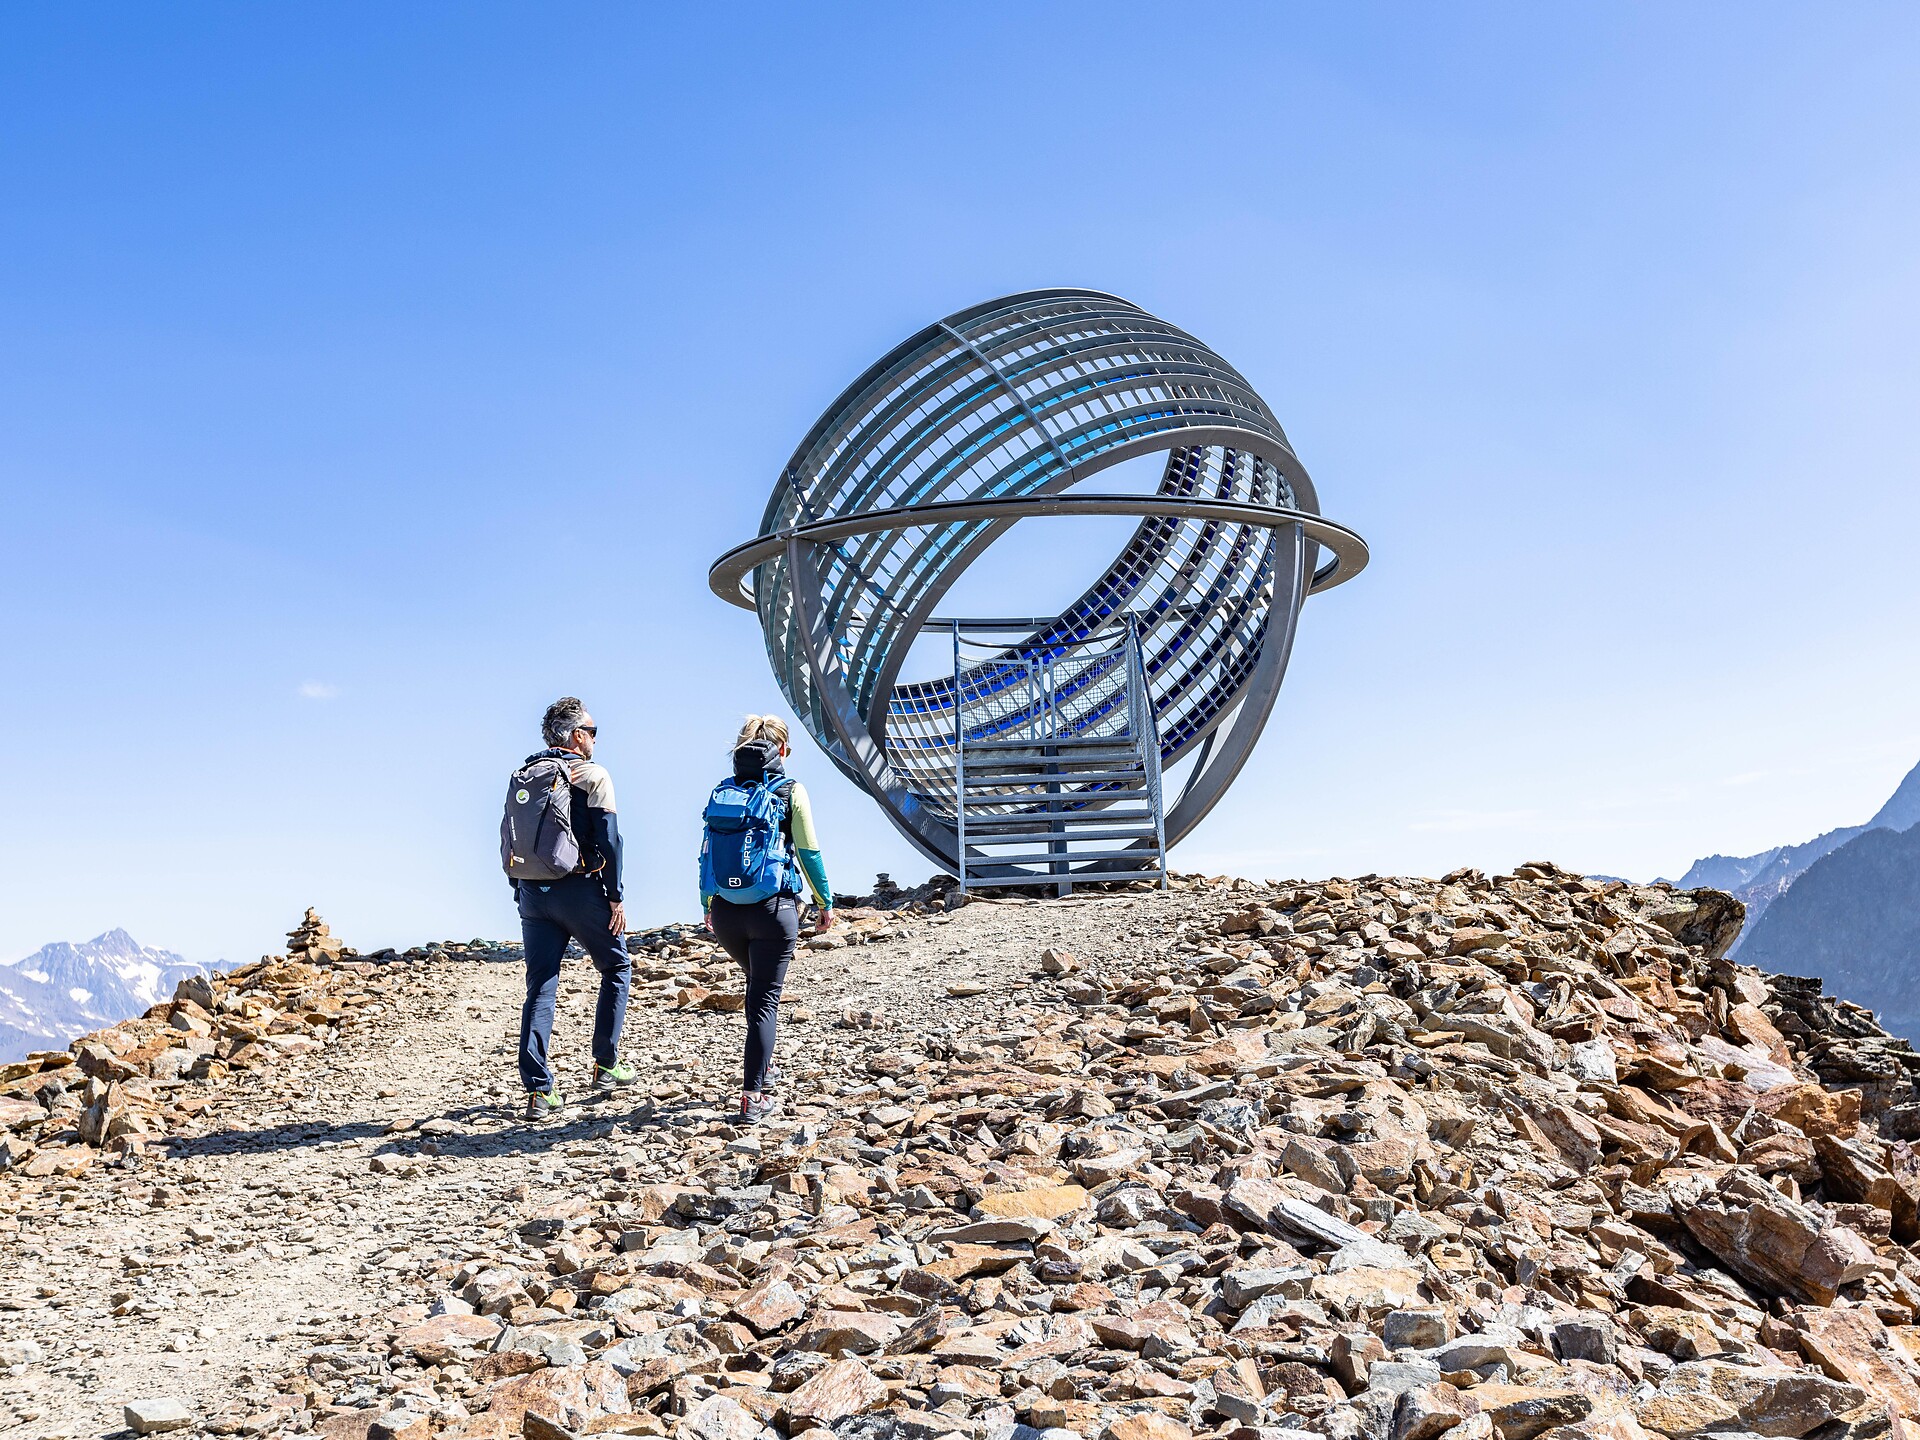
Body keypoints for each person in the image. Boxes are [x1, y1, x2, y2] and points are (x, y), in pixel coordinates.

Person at [701, 715, 834, 1125]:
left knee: (757, 989)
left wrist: (708, 905)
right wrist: (824, 901)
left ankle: (764, 1068)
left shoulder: (723, 792)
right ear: (783, 750)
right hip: (773, 911)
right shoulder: (791, 790)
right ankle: (752, 1096)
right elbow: (809, 851)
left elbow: (707, 854)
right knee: (764, 1000)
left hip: (725, 913)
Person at [511, 697, 637, 1119]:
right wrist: (615, 896)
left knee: (541, 985)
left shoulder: (529, 773)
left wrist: (520, 889)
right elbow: (610, 840)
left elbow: (515, 837)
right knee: (617, 968)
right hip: (580, 889)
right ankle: (605, 1064)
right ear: (577, 736)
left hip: (532, 891)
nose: (596, 739)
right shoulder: (592, 775)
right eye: (593, 731)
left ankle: (537, 1090)